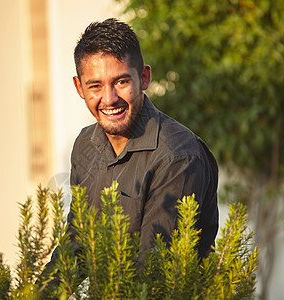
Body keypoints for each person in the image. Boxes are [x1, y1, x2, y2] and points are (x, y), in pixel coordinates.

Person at [42, 17, 218, 287]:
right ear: (79, 88)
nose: (109, 98)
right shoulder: (85, 145)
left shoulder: (178, 156)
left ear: (144, 78)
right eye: (95, 86)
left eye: (121, 81)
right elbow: (78, 246)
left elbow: (153, 274)